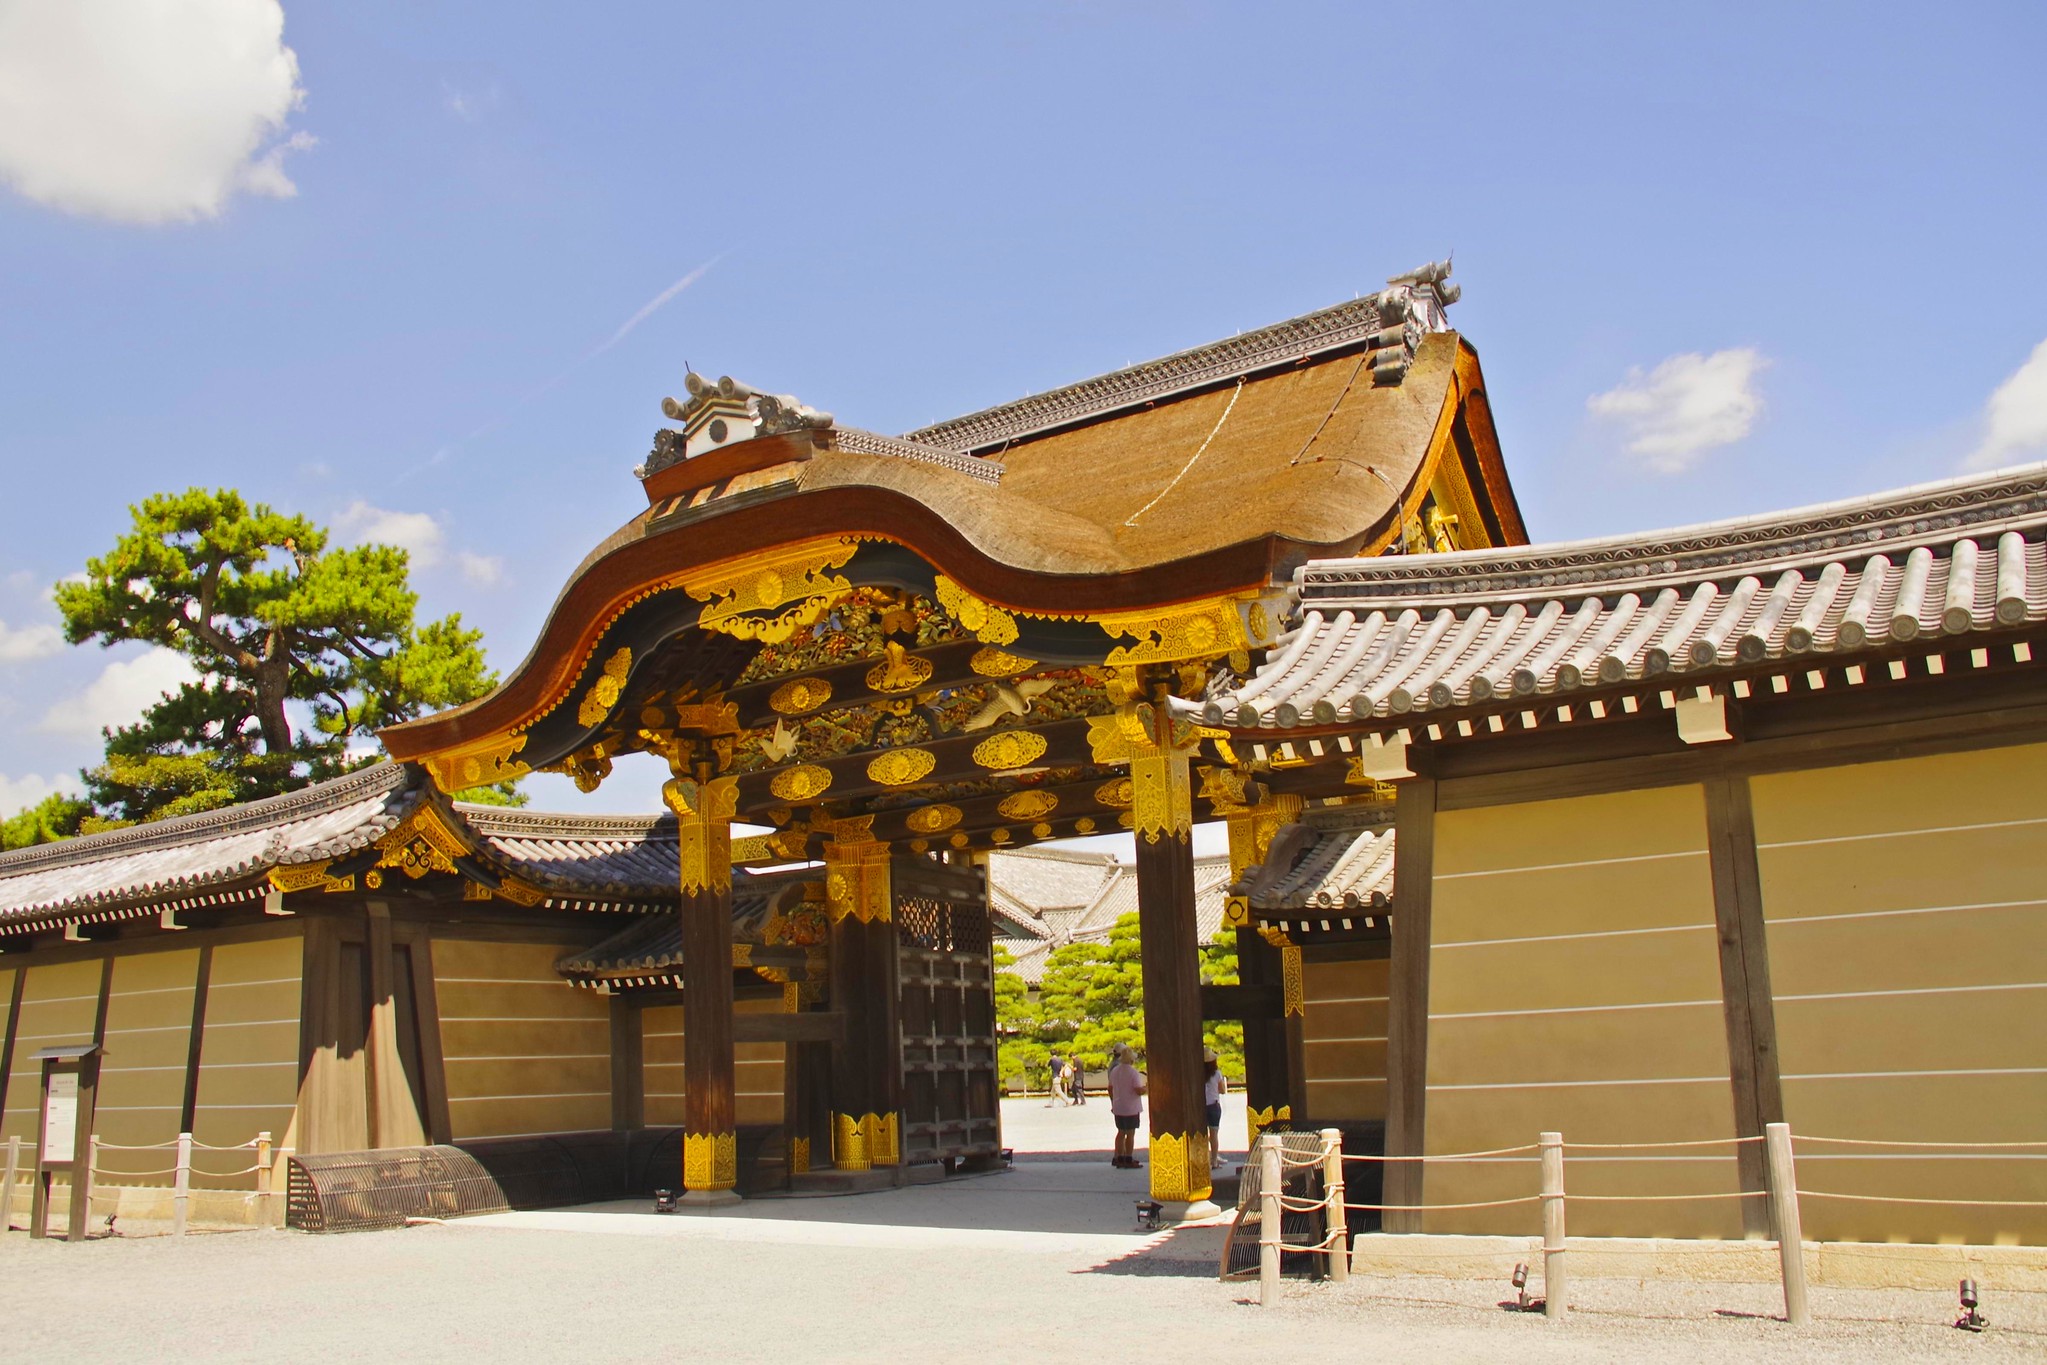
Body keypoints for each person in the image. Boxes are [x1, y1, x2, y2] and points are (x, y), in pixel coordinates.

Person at [1107, 1043, 1146, 1169]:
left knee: (1120, 1132)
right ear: (1131, 1059)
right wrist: (1146, 1087)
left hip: (1118, 1106)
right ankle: (1128, 1157)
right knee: (1130, 1134)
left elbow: (1110, 1087)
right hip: (1131, 1107)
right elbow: (1138, 1090)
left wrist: (1113, 1101)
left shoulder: (1114, 1071)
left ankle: (1119, 1157)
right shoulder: (1133, 1072)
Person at [1203, 1046, 1227, 1167]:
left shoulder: (1198, 1074)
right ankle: (1214, 1160)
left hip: (1201, 1108)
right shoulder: (1217, 1074)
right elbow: (1222, 1090)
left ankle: (1203, 1158)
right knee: (1214, 1134)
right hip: (1213, 1106)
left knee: (1201, 1135)